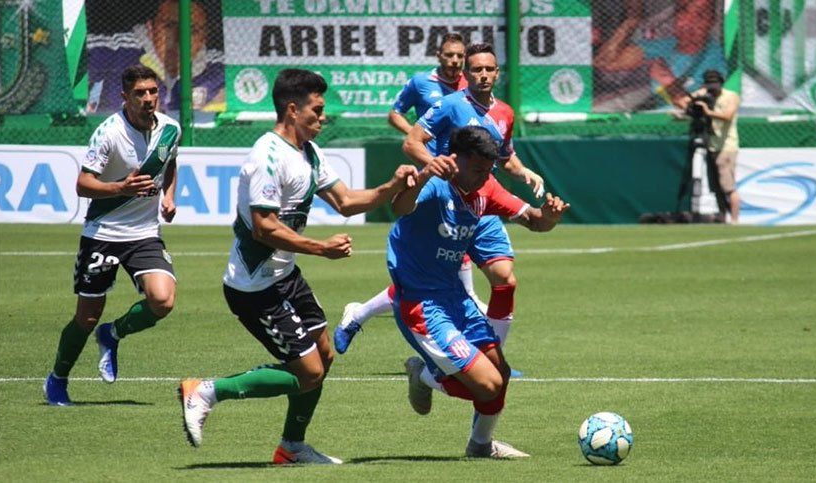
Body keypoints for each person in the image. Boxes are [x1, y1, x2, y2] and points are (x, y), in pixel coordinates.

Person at [176, 68, 418, 465]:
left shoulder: (309, 152)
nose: (323, 117)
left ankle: (291, 447)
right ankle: (206, 391)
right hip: (254, 287)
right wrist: (321, 248)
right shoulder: (267, 156)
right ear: (292, 109)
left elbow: (345, 201)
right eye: (316, 110)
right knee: (309, 372)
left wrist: (391, 186)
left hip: (284, 276)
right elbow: (264, 227)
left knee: (324, 356)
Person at [334, 43, 545, 367]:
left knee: (504, 278)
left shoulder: (505, 112)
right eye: (477, 69)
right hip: (447, 201)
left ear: (498, 73)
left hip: (484, 196)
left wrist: (525, 171)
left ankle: (493, 362)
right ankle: (361, 315)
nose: (483, 75)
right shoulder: (450, 104)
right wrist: (434, 166)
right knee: (432, 283)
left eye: (489, 69)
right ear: (466, 74)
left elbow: (505, 158)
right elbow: (411, 142)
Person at [390, 126, 568, 457]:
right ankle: (424, 375)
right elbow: (399, 208)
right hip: (423, 304)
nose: (484, 178)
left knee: (500, 373)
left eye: (488, 170)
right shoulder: (435, 184)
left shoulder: (486, 185)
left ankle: (480, 445)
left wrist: (549, 217)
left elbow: (534, 220)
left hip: (455, 297)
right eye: (477, 170)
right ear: (454, 159)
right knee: (488, 385)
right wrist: (425, 173)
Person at [44, 65, 181, 406]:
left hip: (145, 233)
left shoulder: (171, 129)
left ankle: (113, 333)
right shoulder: (109, 133)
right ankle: (57, 379)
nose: (148, 98)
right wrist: (121, 187)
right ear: (124, 96)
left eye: (153, 91)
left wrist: (169, 196)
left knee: (163, 300)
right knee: (87, 316)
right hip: (103, 232)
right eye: (139, 93)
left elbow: (170, 162)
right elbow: (83, 184)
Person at [86, 0, 224, 117]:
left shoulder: (220, 69)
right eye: (170, 26)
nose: (179, 38)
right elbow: (75, 57)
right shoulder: (114, 52)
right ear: (150, 28)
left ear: (204, 38)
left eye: (192, 30)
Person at [594, 0, 725, 110]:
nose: (689, 21)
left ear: (711, 21)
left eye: (700, 15)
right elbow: (604, 62)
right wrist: (632, 20)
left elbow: (704, 112)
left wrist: (668, 81)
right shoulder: (664, 46)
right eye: (682, 11)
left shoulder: (717, 59)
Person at [685, 69, 741, 223]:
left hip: (726, 147)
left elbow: (727, 116)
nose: (712, 87)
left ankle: (735, 220)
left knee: (728, 187)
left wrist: (707, 111)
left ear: (721, 83)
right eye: (709, 83)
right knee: (715, 187)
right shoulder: (706, 95)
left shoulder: (731, 96)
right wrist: (695, 98)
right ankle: (722, 217)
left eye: (715, 83)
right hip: (710, 145)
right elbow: (684, 102)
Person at [388, 33, 467, 135]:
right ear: (439, 56)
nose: (455, 60)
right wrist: (416, 136)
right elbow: (395, 115)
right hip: (430, 145)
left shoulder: (472, 82)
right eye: (449, 55)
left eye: (460, 56)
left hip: (464, 144)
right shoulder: (420, 82)